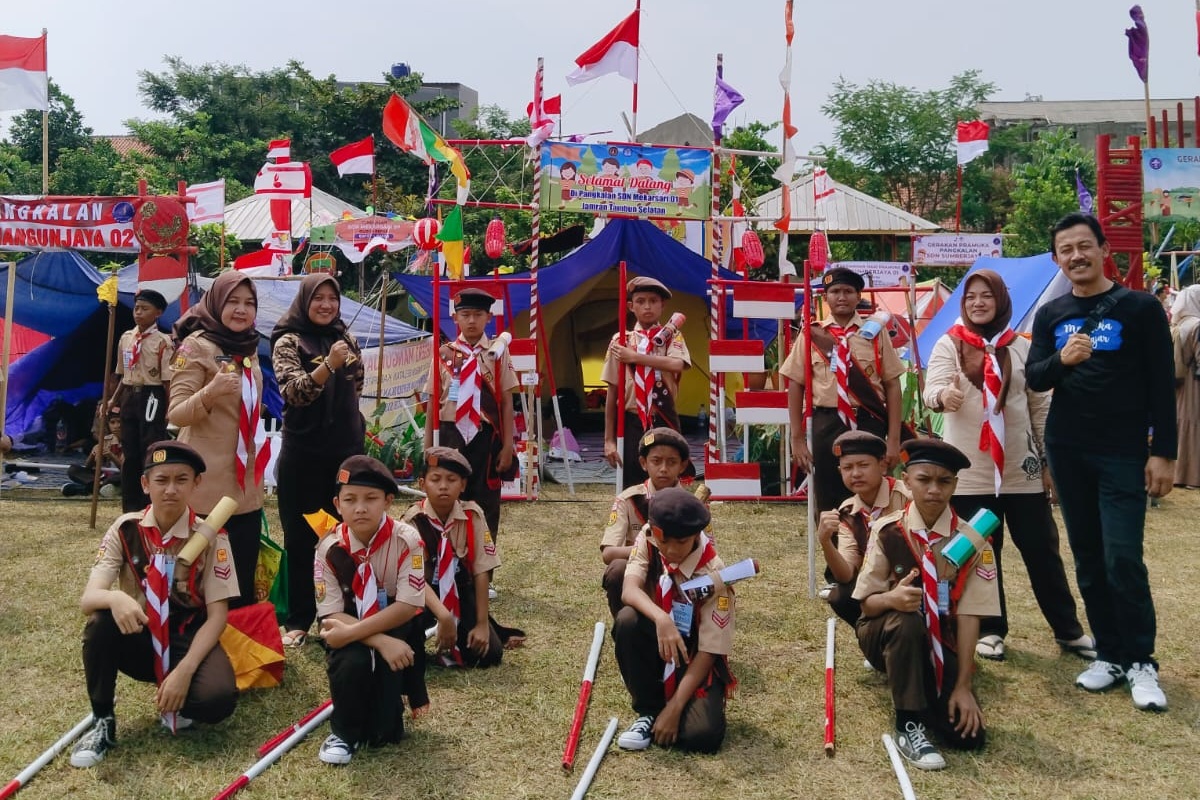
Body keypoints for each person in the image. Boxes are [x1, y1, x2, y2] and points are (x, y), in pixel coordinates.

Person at [1027, 212, 1176, 711]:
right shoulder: (1051, 314)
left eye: (1084, 246)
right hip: (1068, 448)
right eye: (1066, 249)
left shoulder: (1140, 308)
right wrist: (1062, 360)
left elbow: (1161, 384)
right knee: (1088, 557)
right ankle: (1109, 654)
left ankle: (1141, 662)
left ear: (1103, 248)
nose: (1076, 256)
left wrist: (1164, 453)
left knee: (1122, 557)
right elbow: (1036, 377)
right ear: (1056, 259)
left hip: (1123, 450)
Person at [923, 269, 1093, 662]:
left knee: (1042, 550)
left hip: (1021, 470)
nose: (978, 303)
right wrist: (942, 396)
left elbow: (1039, 405)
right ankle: (991, 629)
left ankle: (1068, 630)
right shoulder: (950, 345)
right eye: (971, 297)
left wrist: (1048, 463)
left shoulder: (1022, 347)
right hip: (969, 472)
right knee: (981, 552)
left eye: (986, 296)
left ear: (1001, 301)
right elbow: (933, 387)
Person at [70, 442, 239, 768]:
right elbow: (89, 599)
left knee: (217, 701)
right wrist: (115, 597)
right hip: (141, 633)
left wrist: (184, 673)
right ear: (146, 484)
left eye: (181, 479)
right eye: (161, 480)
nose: (171, 490)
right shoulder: (126, 529)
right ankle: (102, 720)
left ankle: (179, 698)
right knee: (101, 624)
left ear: (196, 484)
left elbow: (218, 617)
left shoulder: (211, 536)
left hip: (187, 636)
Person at [852, 439, 997, 771]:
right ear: (906, 480)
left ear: (955, 485)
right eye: (924, 479)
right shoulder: (888, 530)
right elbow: (867, 607)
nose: (934, 490)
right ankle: (908, 723)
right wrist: (892, 598)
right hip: (886, 632)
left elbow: (970, 615)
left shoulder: (973, 541)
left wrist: (963, 686)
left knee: (966, 738)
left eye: (944, 481)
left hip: (941, 639)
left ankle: (928, 693)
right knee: (907, 620)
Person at [271, 274, 365, 648]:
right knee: (301, 537)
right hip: (304, 454)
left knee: (347, 535)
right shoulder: (287, 340)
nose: (326, 305)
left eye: (332, 298)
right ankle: (299, 618)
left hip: (344, 451)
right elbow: (293, 393)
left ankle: (340, 613)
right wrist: (328, 365)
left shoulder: (347, 338)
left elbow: (357, 385)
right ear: (304, 301)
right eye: (318, 298)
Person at [315, 455, 427, 765]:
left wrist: (363, 634)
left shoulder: (407, 540)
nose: (360, 508)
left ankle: (388, 707)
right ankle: (342, 733)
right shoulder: (328, 548)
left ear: (388, 501)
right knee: (350, 662)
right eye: (350, 500)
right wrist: (378, 641)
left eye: (371, 499)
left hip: (394, 623)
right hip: (349, 620)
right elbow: (331, 613)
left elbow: (408, 605)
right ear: (338, 505)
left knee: (385, 735)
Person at [169, 271, 266, 608]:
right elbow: (176, 413)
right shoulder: (197, 346)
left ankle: (239, 650)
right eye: (233, 302)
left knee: (241, 577)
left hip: (245, 486)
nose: (241, 310)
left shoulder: (249, 348)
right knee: (201, 581)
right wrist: (211, 392)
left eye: (249, 303)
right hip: (206, 486)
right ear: (215, 304)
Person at [613, 487, 735, 754]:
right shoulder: (649, 537)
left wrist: (676, 708)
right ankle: (647, 709)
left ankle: (673, 707)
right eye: (664, 541)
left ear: (696, 535)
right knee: (627, 620)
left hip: (692, 656)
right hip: (660, 641)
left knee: (702, 737)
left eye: (681, 543)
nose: (670, 550)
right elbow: (629, 590)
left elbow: (709, 650)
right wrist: (661, 619)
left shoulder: (716, 574)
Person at [782, 267, 905, 515]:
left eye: (848, 291)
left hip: (869, 421)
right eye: (835, 291)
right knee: (829, 492)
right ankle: (837, 548)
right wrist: (796, 438)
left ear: (858, 296)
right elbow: (795, 384)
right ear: (825, 297)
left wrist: (893, 439)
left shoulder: (875, 334)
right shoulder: (812, 334)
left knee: (874, 490)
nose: (841, 297)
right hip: (826, 423)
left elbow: (892, 385)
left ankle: (873, 549)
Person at [401, 446, 525, 669]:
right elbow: (414, 577)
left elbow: (481, 570)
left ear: (463, 485)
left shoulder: (472, 516)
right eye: (435, 479)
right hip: (421, 596)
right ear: (422, 484)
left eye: (452, 480)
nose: (443, 486)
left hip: (459, 592)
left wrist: (481, 624)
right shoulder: (412, 522)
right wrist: (444, 617)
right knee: (410, 657)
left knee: (488, 655)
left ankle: (488, 628)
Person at [423, 287, 517, 548]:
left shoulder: (497, 353)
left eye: (478, 314)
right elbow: (432, 401)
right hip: (449, 434)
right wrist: (428, 447)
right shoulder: (443, 354)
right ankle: (448, 561)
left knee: (485, 500)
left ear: (489, 317)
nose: (472, 321)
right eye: (465, 314)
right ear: (455, 318)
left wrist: (508, 446)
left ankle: (483, 568)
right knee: (447, 498)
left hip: (486, 436)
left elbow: (507, 402)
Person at [602, 276, 692, 489]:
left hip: (662, 416)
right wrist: (608, 440)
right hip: (631, 420)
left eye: (653, 300)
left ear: (663, 306)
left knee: (665, 476)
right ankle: (634, 522)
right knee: (632, 481)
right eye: (641, 301)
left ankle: (664, 521)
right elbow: (612, 392)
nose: (647, 306)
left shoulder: (671, 337)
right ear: (631, 306)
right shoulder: (621, 341)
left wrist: (635, 358)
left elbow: (677, 364)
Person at [819, 430, 910, 627]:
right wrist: (825, 542)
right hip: (876, 584)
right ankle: (872, 638)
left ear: (883, 465)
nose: (856, 473)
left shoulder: (907, 497)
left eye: (863, 465)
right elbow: (846, 574)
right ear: (840, 472)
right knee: (841, 595)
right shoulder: (848, 512)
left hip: (910, 578)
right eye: (847, 468)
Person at [600, 427, 691, 618]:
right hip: (638, 574)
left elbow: (708, 553)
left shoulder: (692, 505)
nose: (664, 469)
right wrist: (651, 550)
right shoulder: (628, 500)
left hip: (680, 576)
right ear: (644, 463)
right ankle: (626, 627)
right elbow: (609, 553)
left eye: (672, 462)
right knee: (617, 569)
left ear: (682, 466)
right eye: (656, 461)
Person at [108, 289, 173, 512]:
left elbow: (167, 381)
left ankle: (149, 504)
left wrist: (169, 407)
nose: (138, 312)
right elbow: (121, 374)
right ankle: (130, 505)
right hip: (129, 395)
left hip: (152, 395)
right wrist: (112, 400)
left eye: (144, 309)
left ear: (158, 313)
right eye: (136, 308)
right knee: (130, 450)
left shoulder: (163, 341)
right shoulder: (126, 338)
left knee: (150, 446)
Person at [1170, 285, 1200, 488]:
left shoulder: (1178, 325)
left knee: (1182, 424)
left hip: (1178, 383)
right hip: (1194, 384)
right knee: (1195, 425)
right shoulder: (1197, 325)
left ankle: (1179, 474)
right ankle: (1193, 477)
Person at [62, 411, 124, 498]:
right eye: (112, 422)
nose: (116, 426)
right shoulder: (106, 440)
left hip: (119, 476)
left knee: (121, 477)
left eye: (119, 422)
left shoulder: (130, 440)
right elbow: (88, 467)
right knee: (73, 470)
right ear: (108, 425)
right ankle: (100, 487)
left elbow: (125, 468)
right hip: (103, 477)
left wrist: (111, 455)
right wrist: (93, 453)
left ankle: (85, 489)